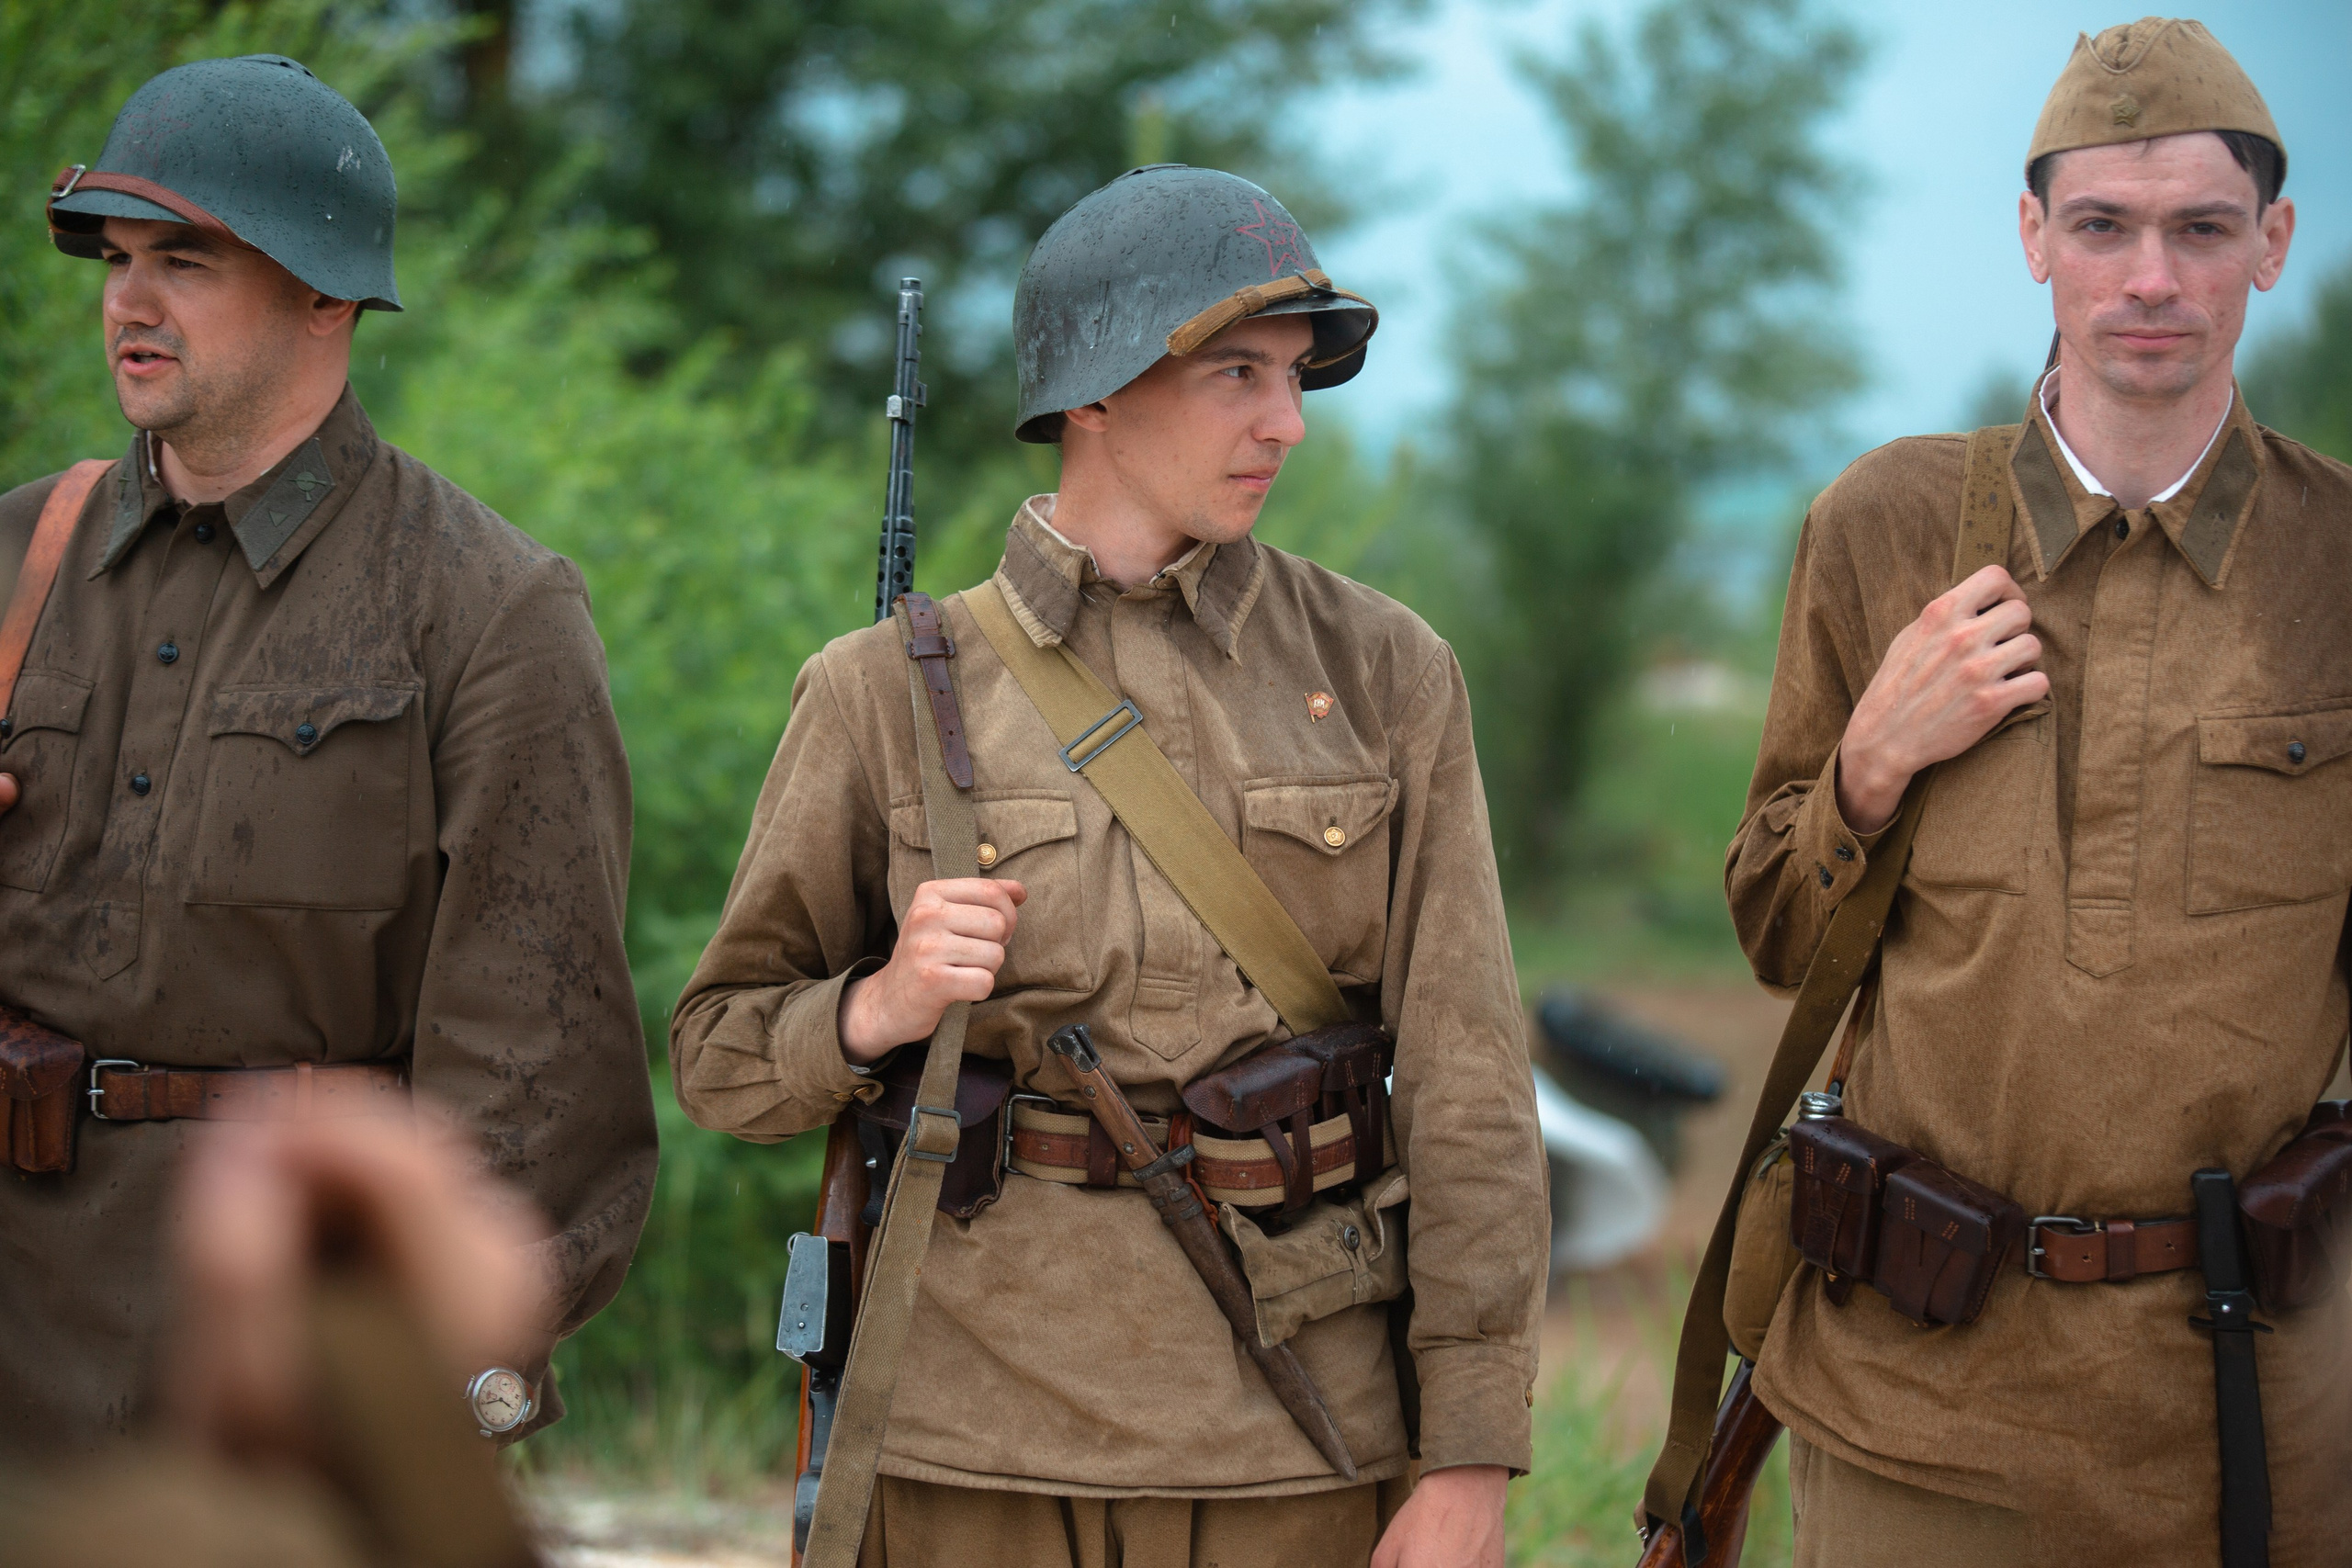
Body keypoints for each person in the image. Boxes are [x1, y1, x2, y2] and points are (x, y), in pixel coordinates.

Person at [672, 165, 1548, 1567]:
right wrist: (879, 1008)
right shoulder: (882, 688)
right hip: (973, 1435)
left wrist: (1472, 1453)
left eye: (1299, 378)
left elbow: (1470, 1083)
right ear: (1093, 391)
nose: (1287, 422)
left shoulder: (1383, 670)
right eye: (1238, 375)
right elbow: (717, 1058)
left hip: (1298, 1428)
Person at [1726, 17, 2351, 1565]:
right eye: (2104, 227)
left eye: (2201, 230)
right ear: (2033, 238)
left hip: (2257, 1420)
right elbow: (1773, 937)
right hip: (1918, 1412)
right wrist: (1872, 764)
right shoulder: (1883, 525)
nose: (2152, 277)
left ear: (2271, 247)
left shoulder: (2341, 564)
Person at [0, 53, 657, 1457]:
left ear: (325, 294)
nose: (130, 300)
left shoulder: (484, 608)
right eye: (116, 259)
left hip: (296, 1347)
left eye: (187, 258)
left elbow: (538, 1073)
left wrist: (439, 1377)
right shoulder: (12, 568)